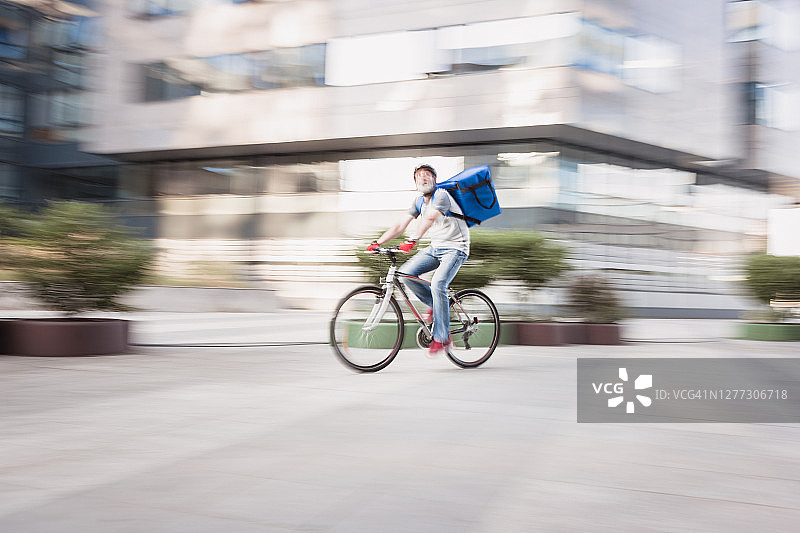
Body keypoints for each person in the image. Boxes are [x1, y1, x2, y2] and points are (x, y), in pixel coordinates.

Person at [366, 164, 470, 355]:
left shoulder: (441, 195)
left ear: (434, 180)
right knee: (405, 274)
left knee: (438, 283)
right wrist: (377, 243)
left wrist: (412, 240)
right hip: (436, 248)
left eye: (427, 175)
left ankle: (442, 337)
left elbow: (429, 219)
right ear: (415, 183)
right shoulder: (418, 201)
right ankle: (436, 305)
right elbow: (400, 225)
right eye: (419, 176)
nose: (423, 178)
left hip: (456, 248)